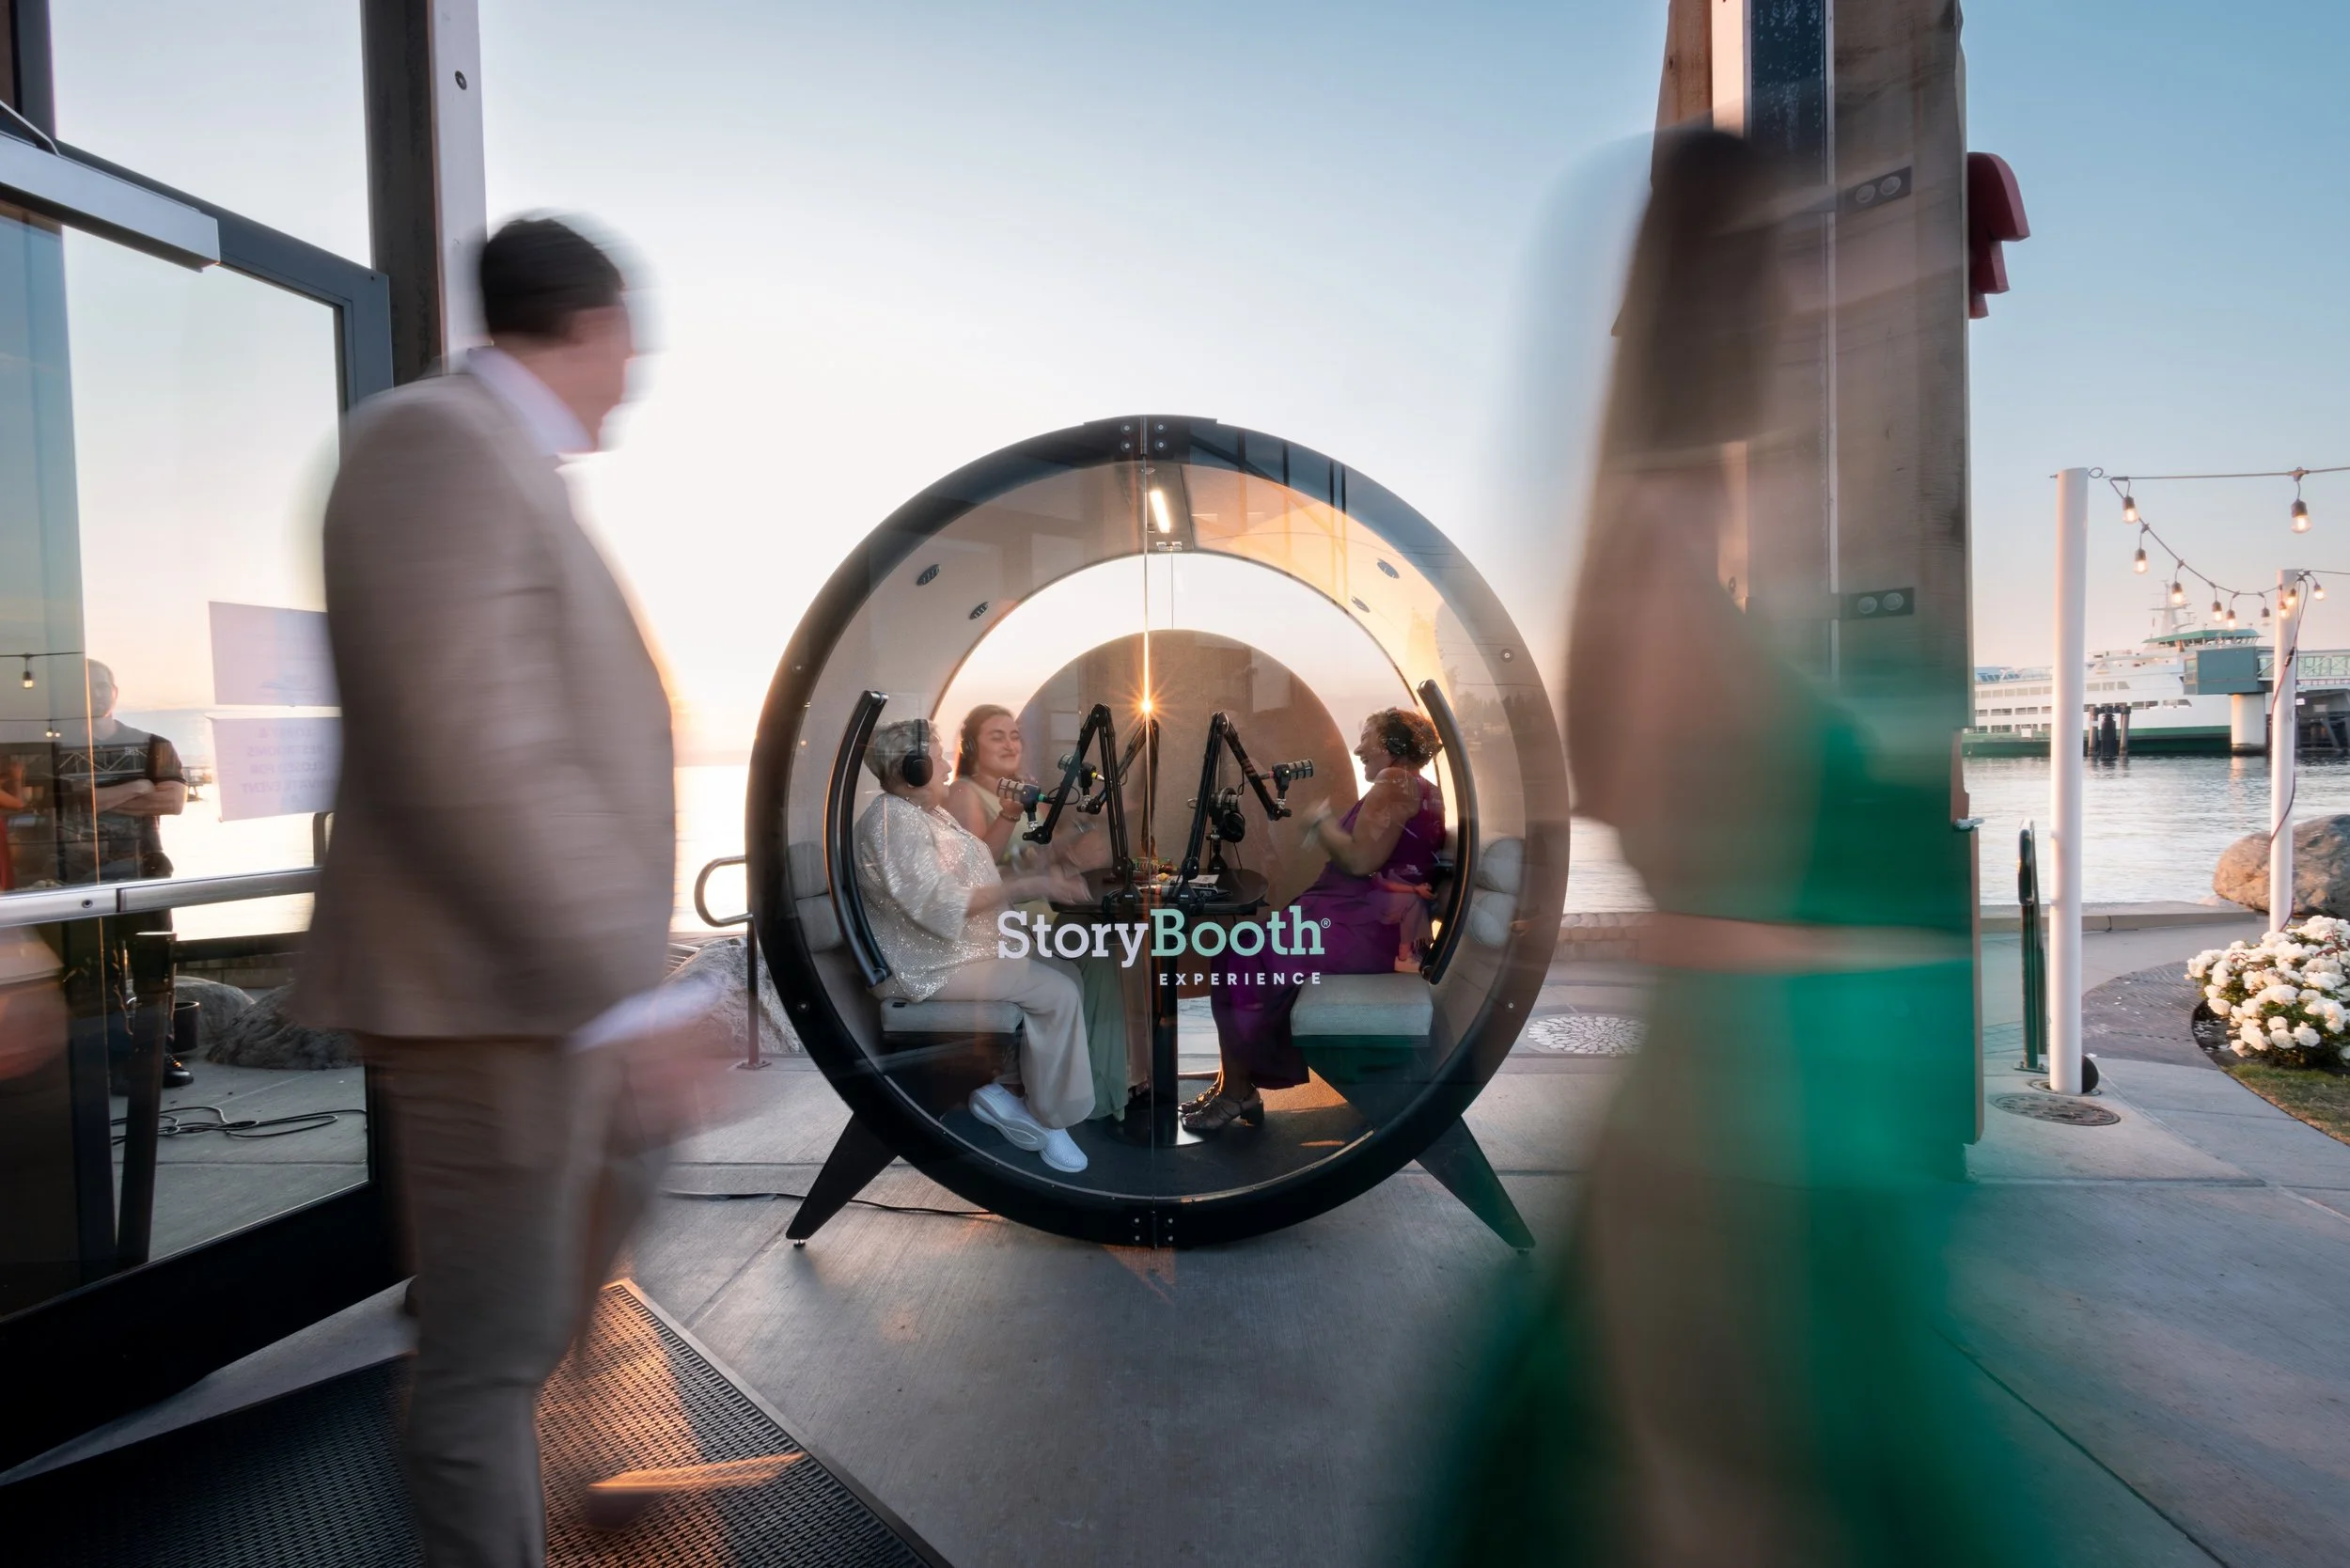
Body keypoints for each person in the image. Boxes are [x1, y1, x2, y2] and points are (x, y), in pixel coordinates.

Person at [290, 216, 679, 1568]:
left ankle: (570, 1466)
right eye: (631, 342)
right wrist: (622, 999)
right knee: (484, 1361)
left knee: (564, 1271)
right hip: (485, 1005)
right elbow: (471, 752)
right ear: (598, 322)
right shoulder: (434, 446)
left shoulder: (509, 463)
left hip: (550, 1001)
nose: (634, 375)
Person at [1183, 708, 1445, 1135]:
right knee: (1239, 952)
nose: (1358, 749)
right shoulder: (1419, 788)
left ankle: (1237, 1090)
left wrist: (1321, 823)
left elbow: (1361, 860)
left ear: (1390, 745)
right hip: (1367, 927)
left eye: (1367, 737)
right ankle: (1234, 1083)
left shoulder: (1395, 782)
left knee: (1237, 954)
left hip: (1362, 931)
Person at [854, 717, 1096, 1170]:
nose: (948, 767)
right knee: (1057, 992)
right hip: (928, 967)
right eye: (938, 759)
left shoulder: (925, 814)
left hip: (953, 953)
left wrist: (1030, 865)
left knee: (1065, 971)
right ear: (914, 768)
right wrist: (1033, 884)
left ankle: (1010, 1091)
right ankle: (1050, 1120)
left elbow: (971, 878)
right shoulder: (893, 821)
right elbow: (941, 902)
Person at [943, 702, 1139, 1121]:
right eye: (997, 736)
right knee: (1097, 952)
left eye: (1014, 735)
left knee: (1107, 948)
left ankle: (1099, 1087)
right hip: (1003, 925)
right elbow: (976, 867)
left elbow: (1044, 854)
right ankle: (1088, 1093)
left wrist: (1091, 824)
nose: (1009, 744)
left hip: (1039, 914)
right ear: (971, 746)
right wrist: (1010, 815)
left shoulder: (1022, 792)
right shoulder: (965, 793)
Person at [49, 660, 191, 1090]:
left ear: (114, 691)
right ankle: (114, 1057)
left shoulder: (154, 745)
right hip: (75, 881)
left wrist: (91, 798)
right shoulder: (49, 751)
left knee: (154, 968)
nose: (92, 693)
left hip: (144, 872)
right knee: (92, 973)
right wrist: (136, 787)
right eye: (82, 686)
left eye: (100, 685)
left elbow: (172, 802)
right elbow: (55, 807)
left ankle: (157, 1055)